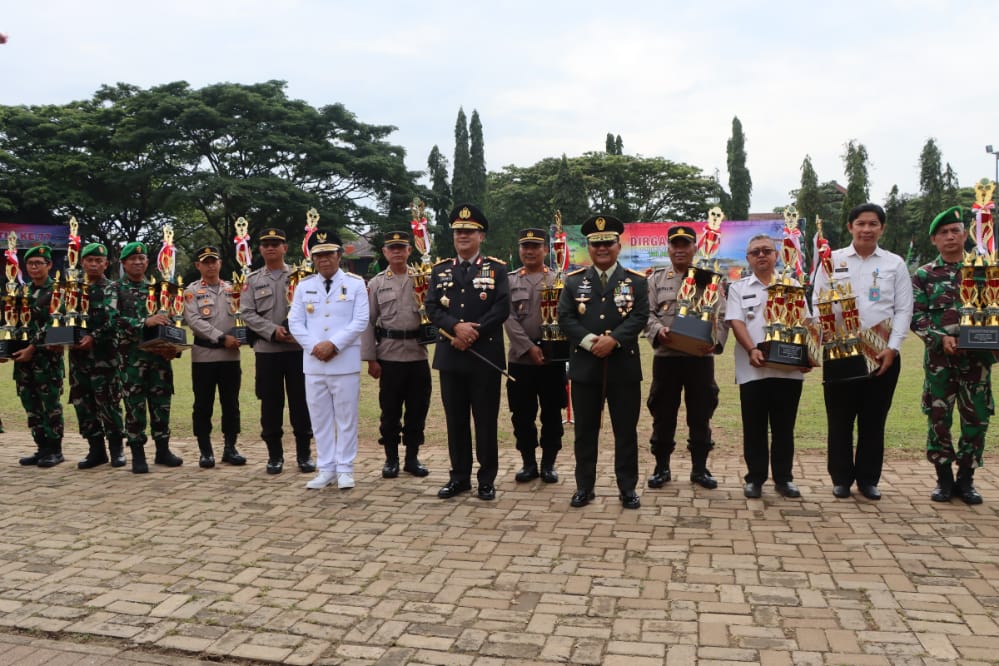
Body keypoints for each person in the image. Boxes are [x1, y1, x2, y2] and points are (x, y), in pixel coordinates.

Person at [810, 203, 913, 500]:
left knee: (873, 419)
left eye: (873, 224)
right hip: (841, 351)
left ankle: (868, 479)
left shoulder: (895, 264)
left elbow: (904, 309)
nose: (866, 229)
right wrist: (824, 335)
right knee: (839, 419)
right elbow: (818, 301)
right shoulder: (832, 260)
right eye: (861, 223)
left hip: (882, 354)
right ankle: (840, 478)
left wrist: (892, 348)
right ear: (850, 227)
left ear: (882, 228)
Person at [557, 214, 649, 509]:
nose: (602, 249)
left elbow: (639, 316)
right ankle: (585, 486)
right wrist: (589, 342)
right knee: (584, 432)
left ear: (618, 246)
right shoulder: (574, 282)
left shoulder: (636, 282)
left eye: (607, 243)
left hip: (623, 366)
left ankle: (627, 488)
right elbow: (565, 318)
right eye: (596, 244)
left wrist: (614, 339)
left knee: (625, 431)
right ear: (589, 248)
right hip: (586, 366)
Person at [425, 203, 510, 501]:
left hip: (484, 356)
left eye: (469, 231)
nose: (463, 235)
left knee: (485, 421)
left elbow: (502, 307)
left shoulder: (496, 269)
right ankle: (459, 477)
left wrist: (473, 332)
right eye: (458, 231)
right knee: (455, 420)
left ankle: (486, 479)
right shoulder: (440, 270)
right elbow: (432, 308)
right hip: (451, 356)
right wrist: (456, 328)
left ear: (481, 236)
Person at [910, 206, 989, 504]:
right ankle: (943, 480)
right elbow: (916, 316)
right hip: (940, 362)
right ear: (934, 240)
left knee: (976, 419)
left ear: (965, 234)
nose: (950, 237)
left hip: (976, 361)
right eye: (943, 233)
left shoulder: (984, 269)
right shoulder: (924, 275)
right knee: (939, 418)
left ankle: (966, 480)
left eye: (955, 230)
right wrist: (940, 339)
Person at [644, 225, 727, 490]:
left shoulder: (708, 279)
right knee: (663, 413)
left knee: (700, 412)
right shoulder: (655, 280)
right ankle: (661, 468)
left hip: (699, 358)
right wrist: (659, 330)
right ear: (668, 249)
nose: (680, 250)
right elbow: (646, 314)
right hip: (667, 357)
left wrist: (714, 343)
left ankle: (700, 469)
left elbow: (721, 315)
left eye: (685, 245)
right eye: (675, 245)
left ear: (694, 248)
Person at [725, 234, 807, 499]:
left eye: (766, 251)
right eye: (755, 252)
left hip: (788, 370)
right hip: (753, 369)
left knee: (785, 428)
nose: (761, 255)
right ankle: (755, 479)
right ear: (748, 259)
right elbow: (737, 322)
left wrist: (807, 357)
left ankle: (784, 479)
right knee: (754, 427)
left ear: (776, 255)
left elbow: (806, 323)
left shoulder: (792, 285)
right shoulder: (738, 288)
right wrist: (752, 349)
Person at [288, 230, 369, 490]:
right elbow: (295, 322)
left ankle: (345, 468)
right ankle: (326, 468)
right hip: (314, 363)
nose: (324, 259)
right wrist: (315, 347)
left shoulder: (356, 284)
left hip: (344, 361)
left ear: (338, 255)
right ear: (313, 258)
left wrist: (334, 344)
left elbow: (360, 321)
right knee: (319, 418)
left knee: (346, 418)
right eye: (318, 255)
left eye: (328, 254)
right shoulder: (304, 286)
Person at [241, 228, 315, 474]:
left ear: (285, 248)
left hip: (297, 351)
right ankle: (275, 456)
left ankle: (304, 455)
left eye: (276, 243)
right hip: (267, 350)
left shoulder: (302, 277)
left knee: (301, 403)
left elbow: (313, 308)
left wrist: (299, 331)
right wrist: (272, 330)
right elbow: (247, 313)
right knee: (270, 404)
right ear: (259, 250)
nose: (271, 248)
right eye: (266, 244)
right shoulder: (252, 280)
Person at [360, 230, 430, 479]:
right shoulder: (377, 283)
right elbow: (368, 322)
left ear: (409, 251)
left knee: (417, 411)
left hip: (417, 354)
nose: (398, 252)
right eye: (393, 248)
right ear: (385, 253)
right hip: (388, 356)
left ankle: (412, 458)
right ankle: (391, 459)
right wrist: (370, 358)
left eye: (402, 247)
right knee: (389, 412)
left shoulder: (423, 278)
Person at [503, 227, 566, 484]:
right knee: (522, 414)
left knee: (552, 412)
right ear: (520, 249)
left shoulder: (559, 279)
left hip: (552, 359)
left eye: (535, 247)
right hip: (521, 358)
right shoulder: (509, 281)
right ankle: (528, 462)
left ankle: (549, 463)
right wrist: (528, 347)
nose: (529, 252)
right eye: (525, 247)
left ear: (545, 250)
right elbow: (506, 317)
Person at [116, 241, 184, 474]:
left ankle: (162, 450)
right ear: (124, 263)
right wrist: (143, 322)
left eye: (142, 258)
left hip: (159, 361)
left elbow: (170, 320)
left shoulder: (157, 289)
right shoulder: (115, 289)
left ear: (147, 262)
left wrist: (172, 347)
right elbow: (111, 321)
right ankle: (137, 453)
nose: (137, 262)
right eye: (132, 259)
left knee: (161, 405)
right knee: (134, 408)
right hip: (131, 361)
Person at [183, 245, 245, 468]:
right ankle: (205, 450)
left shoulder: (233, 289)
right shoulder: (191, 292)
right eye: (205, 262)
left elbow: (243, 316)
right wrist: (221, 338)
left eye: (214, 261)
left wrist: (243, 335)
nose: (210, 265)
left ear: (220, 263)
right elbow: (195, 322)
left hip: (230, 357)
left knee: (231, 404)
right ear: (198, 266)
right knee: (203, 405)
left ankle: (230, 448)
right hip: (204, 356)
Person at [71, 242, 127, 469]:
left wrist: (93, 336)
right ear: (82, 262)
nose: (94, 264)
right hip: (78, 358)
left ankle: (117, 450)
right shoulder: (72, 289)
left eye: (98, 260)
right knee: (83, 403)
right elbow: (64, 316)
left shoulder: (112, 288)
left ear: (106, 263)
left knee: (109, 403)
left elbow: (114, 320)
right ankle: (96, 451)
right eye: (89, 260)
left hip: (105, 356)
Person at [8, 245, 65, 467]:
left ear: (49, 265)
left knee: (49, 405)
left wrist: (31, 348)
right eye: (30, 264)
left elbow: (54, 324)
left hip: (46, 359)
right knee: (30, 404)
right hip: (23, 361)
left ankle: (55, 450)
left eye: (39, 263)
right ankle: (41, 448)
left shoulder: (58, 291)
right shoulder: (23, 293)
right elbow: (14, 324)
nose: (34, 267)